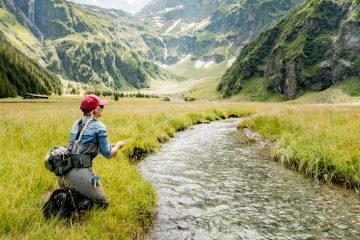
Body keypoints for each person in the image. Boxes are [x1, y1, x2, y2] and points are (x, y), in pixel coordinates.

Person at [57, 94, 124, 209]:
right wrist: (118, 145)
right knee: (103, 204)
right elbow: (108, 154)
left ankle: (71, 194)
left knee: (85, 194)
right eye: (101, 106)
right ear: (96, 109)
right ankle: (69, 205)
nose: (103, 108)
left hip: (65, 171)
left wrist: (110, 145)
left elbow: (83, 147)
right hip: (80, 173)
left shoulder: (76, 123)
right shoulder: (99, 127)